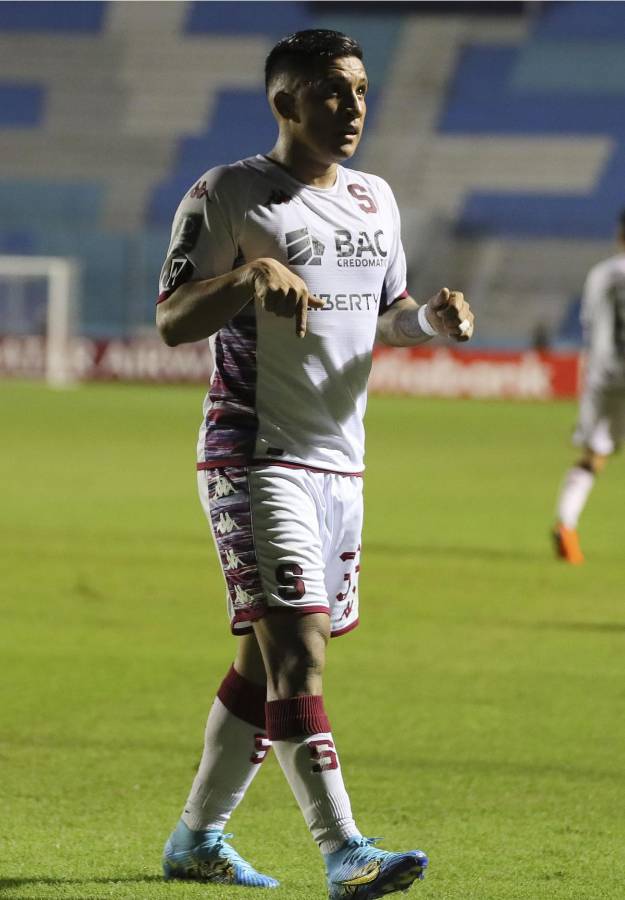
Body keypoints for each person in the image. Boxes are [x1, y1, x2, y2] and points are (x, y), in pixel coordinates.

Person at [156, 29, 474, 899]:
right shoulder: (228, 193)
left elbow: (387, 314)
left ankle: (195, 840)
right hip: (255, 454)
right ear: (284, 102)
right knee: (298, 651)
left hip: (341, 465)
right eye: (332, 91)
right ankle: (345, 852)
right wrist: (251, 276)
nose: (353, 107)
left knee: (266, 665)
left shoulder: (376, 200)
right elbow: (174, 319)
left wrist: (431, 325)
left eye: (361, 91)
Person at [553, 210, 625, 564]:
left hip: (602, 376)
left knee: (595, 453)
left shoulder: (602, 273)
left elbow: (588, 320)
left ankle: (566, 523)